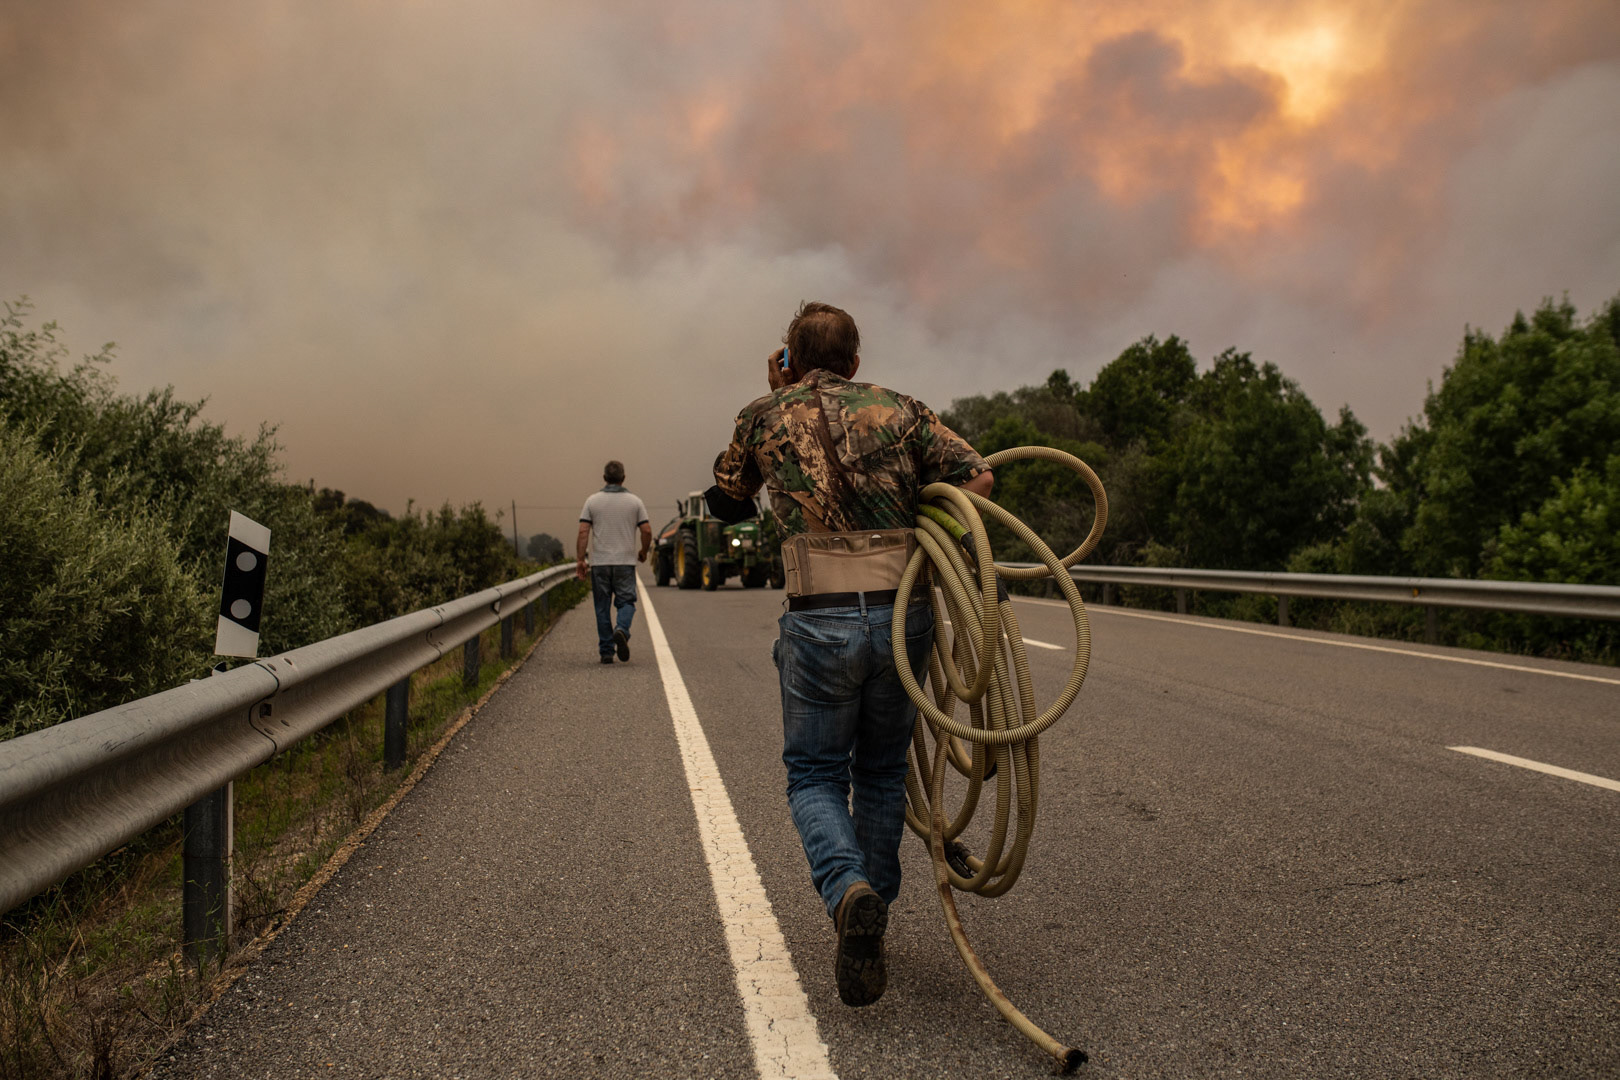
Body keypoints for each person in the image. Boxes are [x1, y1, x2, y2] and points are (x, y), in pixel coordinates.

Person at [708, 301, 993, 1007]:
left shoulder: (761, 415)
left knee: (814, 774)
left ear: (790, 360)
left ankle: (848, 891)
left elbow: (727, 503)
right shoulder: (901, 408)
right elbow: (979, 479)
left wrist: (778, 397)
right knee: (883, 771)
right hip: (903, 615)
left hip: (819, 618)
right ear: (856, 362)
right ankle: (875, 912)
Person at [576, 461, 652, 664]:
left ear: (604, 478)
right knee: (626, 602)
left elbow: (583, 531)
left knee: (602, 607)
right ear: (623, 478)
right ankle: (622, 629)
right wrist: (643, 551)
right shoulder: (635, 502)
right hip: (625, 563)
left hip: (600, 563)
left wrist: (581, 560)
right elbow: (646, 530)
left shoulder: (592, 501)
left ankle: (607, 651)